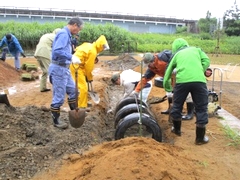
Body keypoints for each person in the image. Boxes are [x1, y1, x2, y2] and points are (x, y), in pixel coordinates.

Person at [163, 38, 210, 145]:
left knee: (177, 105)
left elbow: (168, 72)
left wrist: (168, 87)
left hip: (182, 82)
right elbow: (207, 61)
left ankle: (177, 130)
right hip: (199, 81)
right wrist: (199, 71)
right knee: (202, 108)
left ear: (175, 47)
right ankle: (200, 138)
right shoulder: (197, 50)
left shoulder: (176, 55)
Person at [48, 17, 84, 129]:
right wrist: (71, 57)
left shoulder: (67, 35)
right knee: (59, 97)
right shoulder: (63, 34)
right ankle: (56, 121)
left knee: (74, 90)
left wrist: (71, 52)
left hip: (65, 69)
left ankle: (75, 113)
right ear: (74, 25)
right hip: (59, 69)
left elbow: (63, 50)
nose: (78, 31)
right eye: (79, 29)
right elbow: (57, 51)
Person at [69, 35, 109, 109]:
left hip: (77, 65)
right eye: (103, 47)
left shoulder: (89, 45)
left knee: (83, 86)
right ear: (100, 45)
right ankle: (81, 106)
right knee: (83, 87)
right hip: (76, 67)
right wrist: (89, 77)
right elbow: (88, 67)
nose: (103, 49)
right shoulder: (93, 51)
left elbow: (77, 49)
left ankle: (83, 102)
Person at [34, 28, 61, 92]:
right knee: (52, 71)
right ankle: (57, 88)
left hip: (37, 53)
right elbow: (57, 48)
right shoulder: (55, 37)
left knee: (45, 72)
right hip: (44, 53)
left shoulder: (46, 35)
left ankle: (42, 88)